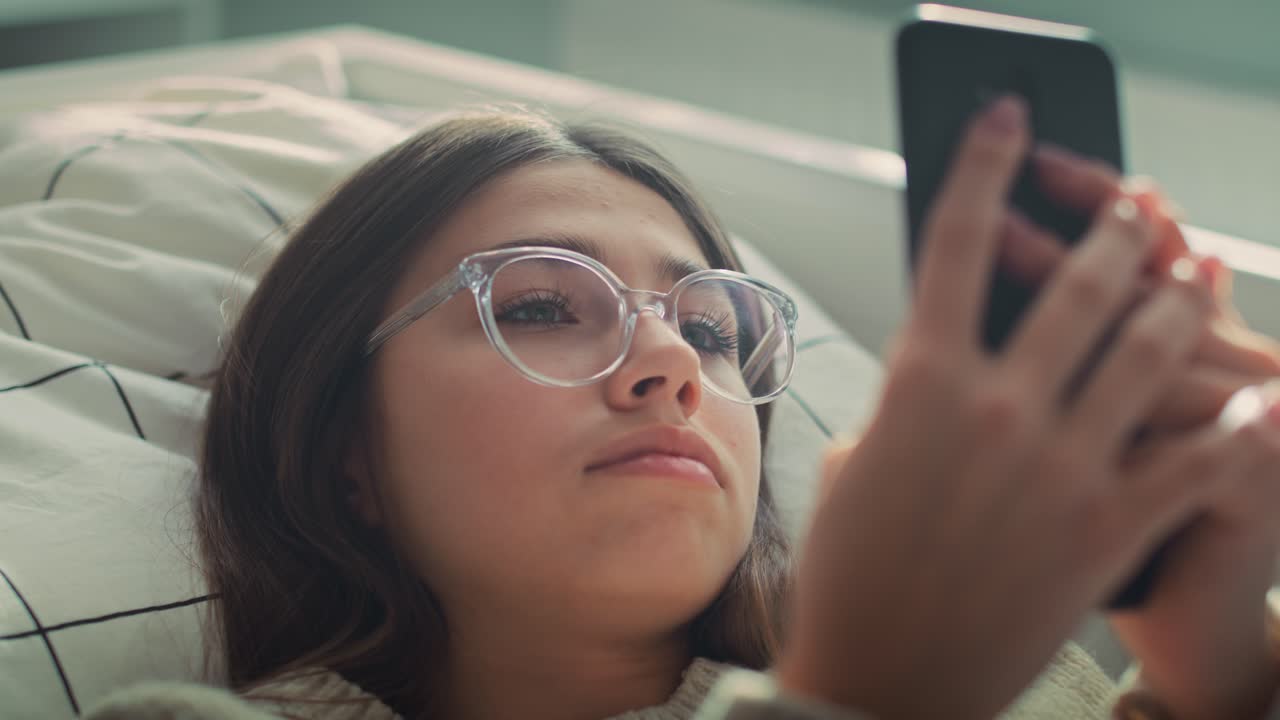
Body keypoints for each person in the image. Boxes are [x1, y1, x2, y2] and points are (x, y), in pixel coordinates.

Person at [85, 98, 1280, 720]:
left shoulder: (1022, 692)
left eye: (709, 329)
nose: (670, 364)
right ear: (347, 448)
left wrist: (1221, 679)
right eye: (546, 306)